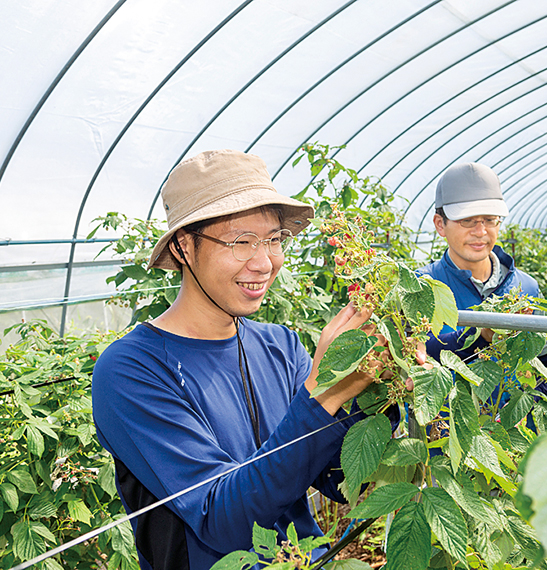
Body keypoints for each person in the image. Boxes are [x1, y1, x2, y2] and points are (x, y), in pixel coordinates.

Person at [92, 150, 393, 570]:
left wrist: (383, 394)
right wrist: (324, 392)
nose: (264, 261)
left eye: (273, 239)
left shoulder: (280, 347)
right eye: (240, 241)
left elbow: (336, 477)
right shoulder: (131, 371)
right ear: (183, 246)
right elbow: (221, 520)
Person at [418, 162, 547, 414]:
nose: (480, 232)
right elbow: (417, 357)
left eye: (490, 220)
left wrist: (517, 411)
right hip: (443, 440)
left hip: (512, 442)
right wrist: (479, 337)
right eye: (467, 221)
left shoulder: (525, 286)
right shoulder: (422, 287)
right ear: (440, 224)